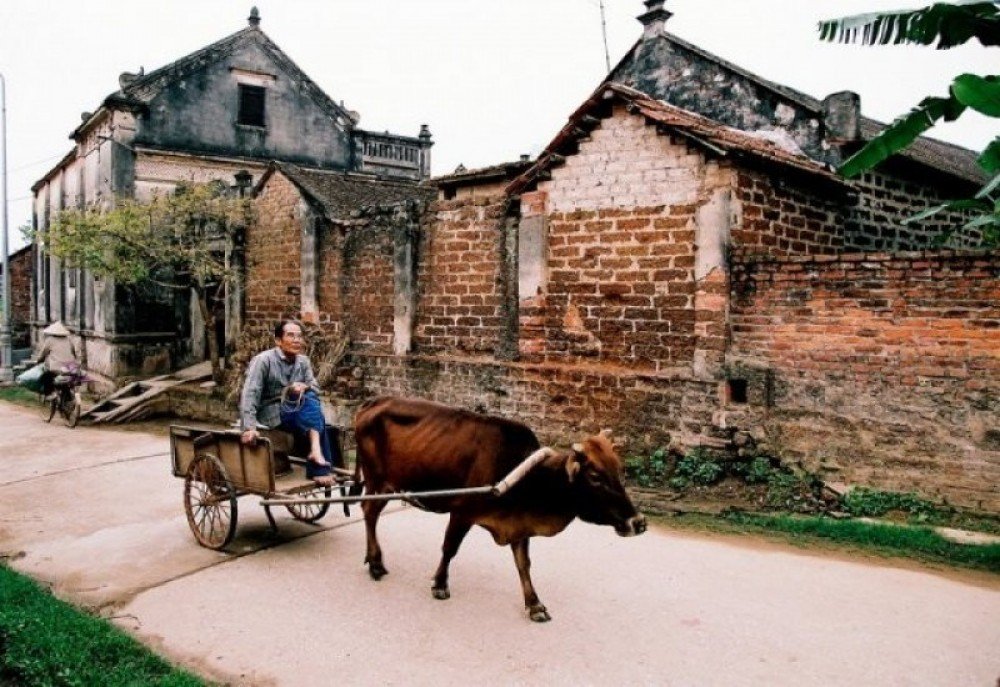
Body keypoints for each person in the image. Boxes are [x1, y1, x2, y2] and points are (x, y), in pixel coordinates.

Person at [239, 319, 336, 486]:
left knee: (312, 398)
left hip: (295, 409)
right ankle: (318, 465)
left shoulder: (303, 361)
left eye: (299, 336)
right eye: (291, 336)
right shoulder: (264, 361)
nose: (297, 340)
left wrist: (304, 387)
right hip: (271, 413)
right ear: (278, 340)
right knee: (314, 410)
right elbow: (250, 393)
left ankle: (315, 451)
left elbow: (314, 386)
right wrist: (249, 428)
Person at [35, 321, 80, 397]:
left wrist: (38, 361)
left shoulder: (50, 340)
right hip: (70, 368)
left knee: (45, 377)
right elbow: (73, 352)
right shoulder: (69, 339)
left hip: (57, 369)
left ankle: (50, 394)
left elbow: (43, 354)